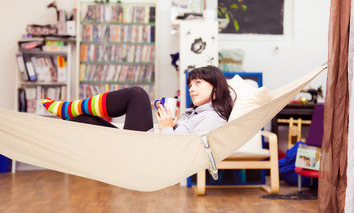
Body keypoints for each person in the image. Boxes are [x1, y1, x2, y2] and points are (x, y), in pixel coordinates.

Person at [42, 66, 235, 134]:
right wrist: (173, 124)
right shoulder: (197, 113)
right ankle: (70, 112)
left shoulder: (212, 118)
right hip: (149, 143)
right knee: (82, 120)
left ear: (216, 89)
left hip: (148, 150)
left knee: (138, 94)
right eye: (190, 84)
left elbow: (177, 151)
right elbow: (182, 138)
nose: (191, 88)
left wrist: (167, 127)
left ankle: (68, 108)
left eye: (198, 83)